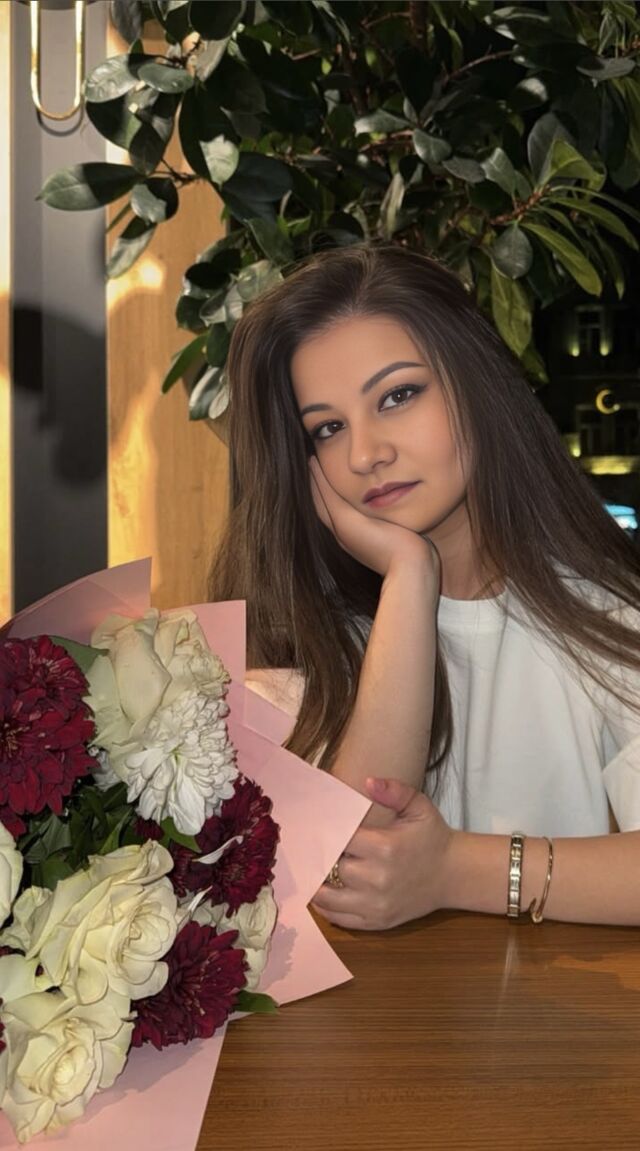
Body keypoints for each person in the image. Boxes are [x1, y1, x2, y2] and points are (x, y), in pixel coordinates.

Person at [209, 243, 640, 931]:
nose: (365, 453)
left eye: (398, 395)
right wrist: (410, 576)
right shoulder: (302, 638)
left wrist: (453, 869)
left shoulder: (602, 615)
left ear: (477, 386)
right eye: (328, 428)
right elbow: (351, 865)